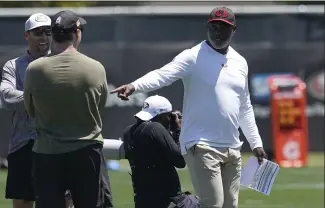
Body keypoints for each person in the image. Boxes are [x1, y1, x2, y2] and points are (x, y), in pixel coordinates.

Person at [110, 6, 267, 208]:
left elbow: (244, 106)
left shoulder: (240, 63)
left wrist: (256, 142)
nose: (218, 31)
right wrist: (135, 86)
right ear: (207, 28)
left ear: (233, 30)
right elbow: (162, 75)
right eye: (214, 26)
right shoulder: (193, 56)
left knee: (230, 206)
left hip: (232, 146)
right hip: (201, 144)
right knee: (213, 204)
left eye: (224, 27)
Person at [23, 10, 113, 208]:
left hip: (48, 153)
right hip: (87, 151)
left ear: (53, 34)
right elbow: (100, 107)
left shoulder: (35, 69)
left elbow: (30, 110)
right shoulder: (96, 67)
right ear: (77, 32)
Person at [0, 13, 51, 208]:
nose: (44, 37)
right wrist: (39, 96)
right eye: (38, 32)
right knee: (22, 202)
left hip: (56, 142)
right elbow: (6, 96)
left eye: (48, 31)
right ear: (26, 36)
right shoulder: (13, 65)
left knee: (62, 201)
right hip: (23, 143)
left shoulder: (62, 62)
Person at [122, 95, 200, 208]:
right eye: (169, 116)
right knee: (211, 203)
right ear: (162, 116)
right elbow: (180, 161)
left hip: (143, 201)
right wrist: (178, 130)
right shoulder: (155, 128)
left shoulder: (128, 131)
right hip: (168, 201)